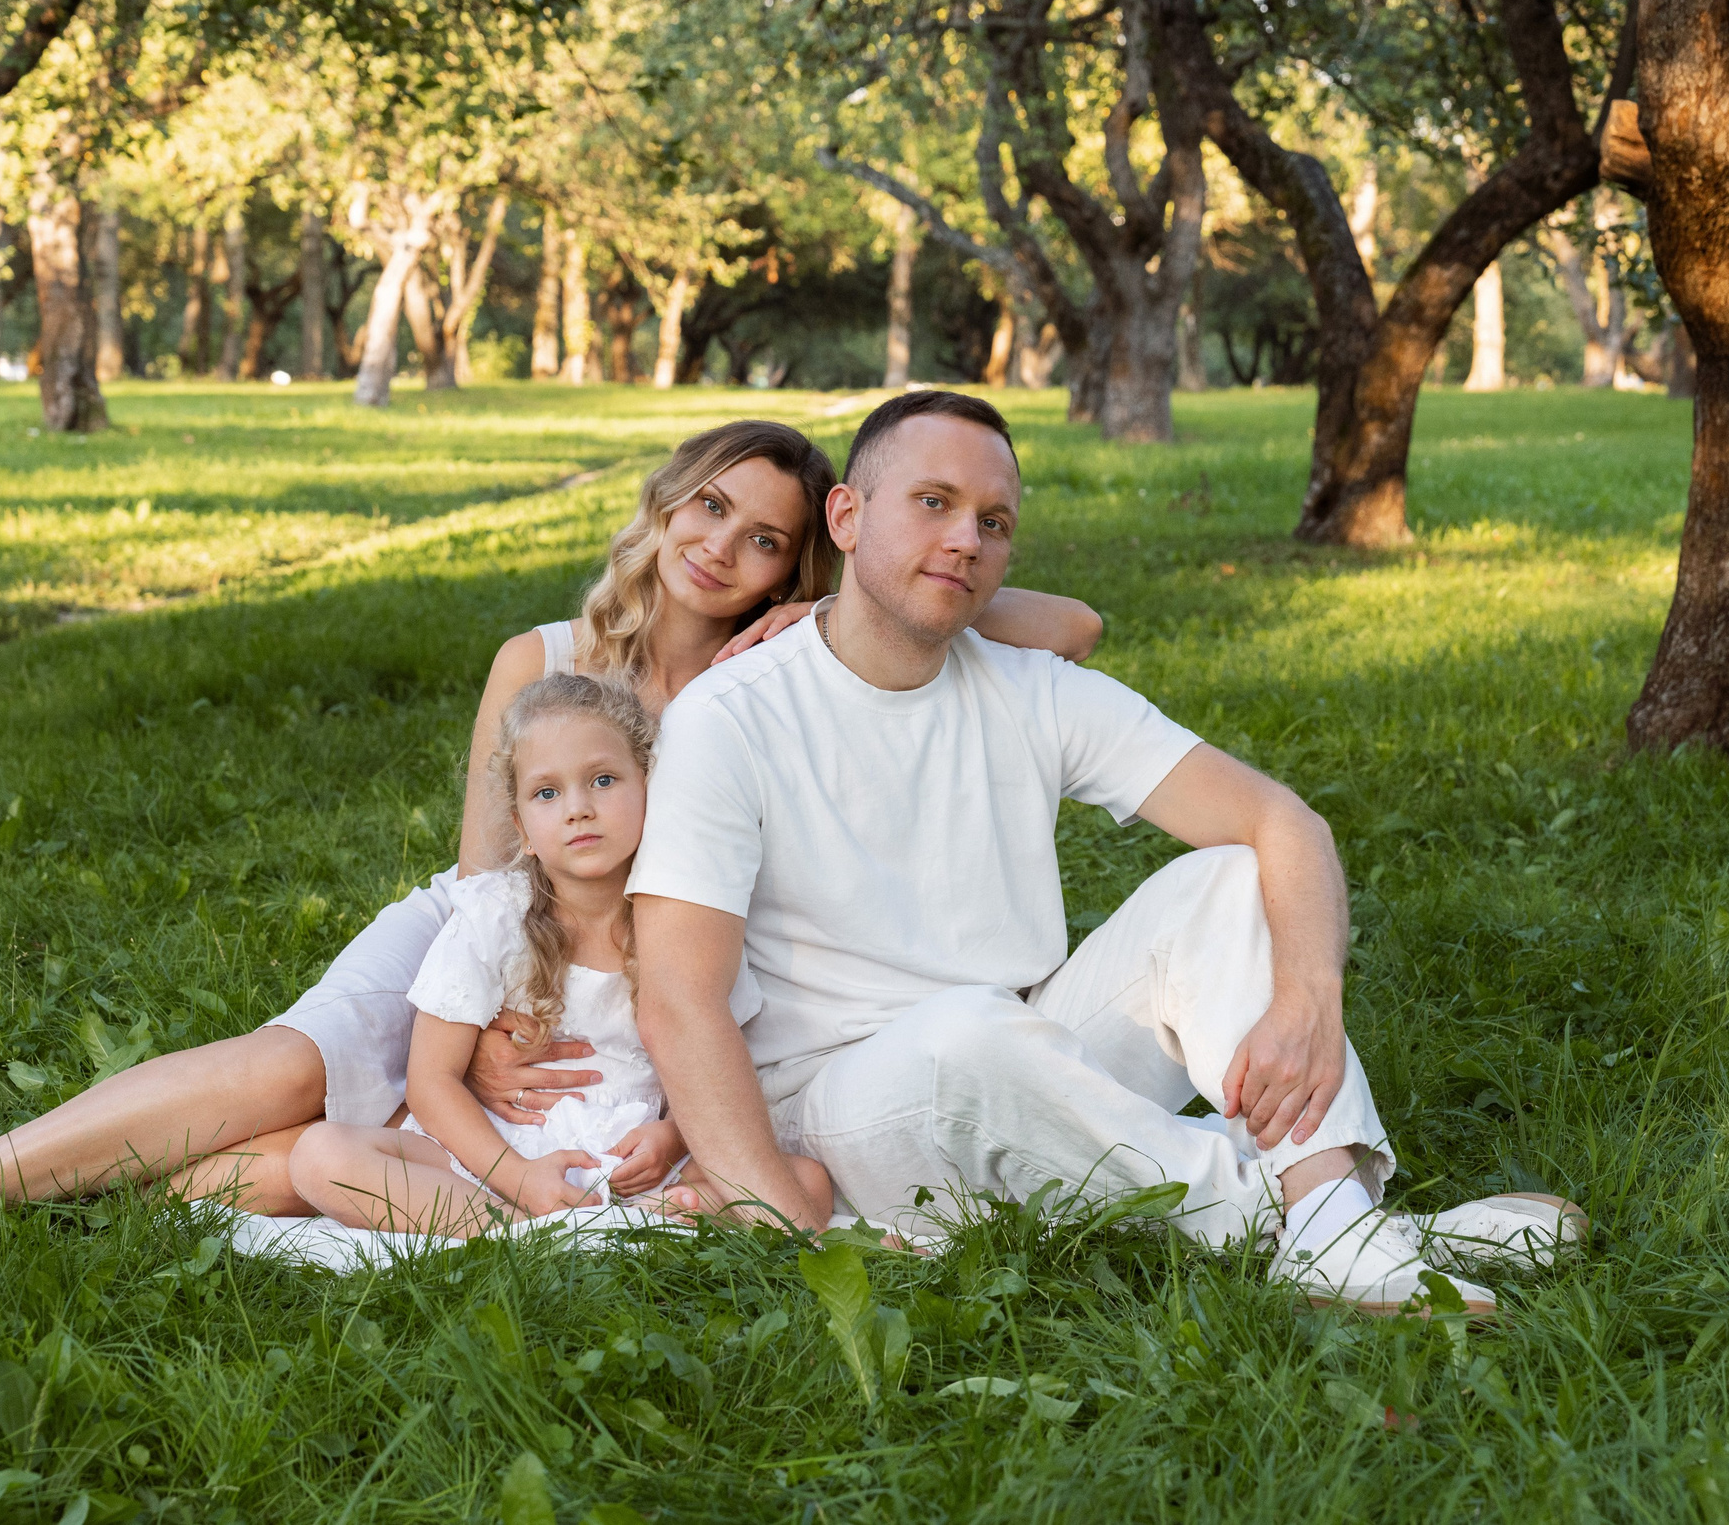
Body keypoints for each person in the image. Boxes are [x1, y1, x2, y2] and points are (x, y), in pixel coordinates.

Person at [0, 420, 1096, 1242]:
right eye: (708, 507)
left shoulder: (776, 683)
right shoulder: (543, 652)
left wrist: (854, 591)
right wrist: (506, 1012)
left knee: (311, 1155)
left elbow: (1067, 624)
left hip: (634, 980)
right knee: (285, 1074)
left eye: (765, 538)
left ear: (801, 560)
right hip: (479, 942)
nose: (721, 547)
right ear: (667, 504)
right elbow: (487, 871)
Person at [629, 392, 1586, 1316]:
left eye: (993, 521)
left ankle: (1330, 1222)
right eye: (934, 503)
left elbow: (1287, 822)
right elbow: (680, 993)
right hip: (838, 1109)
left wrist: (1309, 997)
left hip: (1026, 1046)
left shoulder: (1030, 688)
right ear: (845, 514)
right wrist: (776, 1205)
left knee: (1230, 876)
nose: (966, 539)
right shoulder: (733, 714)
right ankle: (1335, 1217)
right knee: (964, 1035)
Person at [286, 674, 828, 1234]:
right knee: (320, 1155)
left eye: (603, 780)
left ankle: (614, 1224)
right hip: (499, 1158)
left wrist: (673, 1137)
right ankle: (527, 1232)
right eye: (547, 793)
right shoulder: (493, 916)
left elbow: (715, 1064)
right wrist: (517, 1176)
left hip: (633, 1160)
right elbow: (431, 1081)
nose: (578, 809)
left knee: (805, 1182)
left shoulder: (687, 918)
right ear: (522, 828)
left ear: (650, 789)